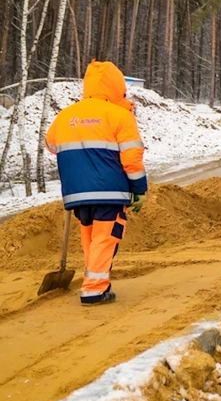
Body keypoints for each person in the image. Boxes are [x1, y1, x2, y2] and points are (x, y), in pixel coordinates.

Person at [45, 61, 147, 305]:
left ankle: (94, 280)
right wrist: (139, 189)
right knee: (106, 236)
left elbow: (51, 144)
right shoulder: (120, 116)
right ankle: (94, 289)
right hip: (109, 190)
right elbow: (131, 157)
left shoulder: (65, 115)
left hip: (76, 193)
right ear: (117, 87)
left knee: (90, 236)